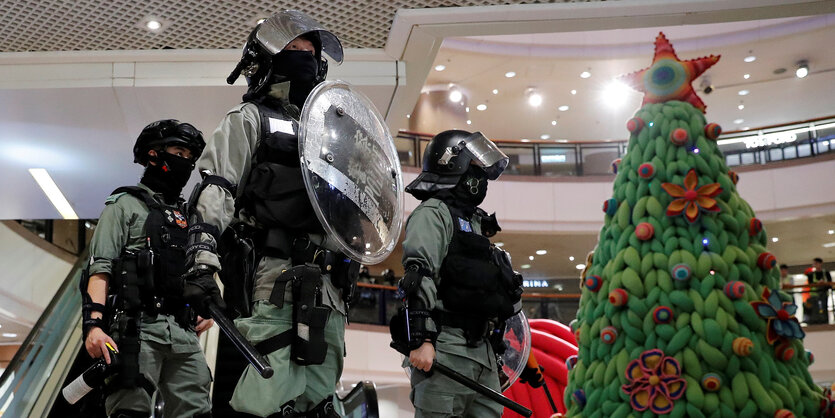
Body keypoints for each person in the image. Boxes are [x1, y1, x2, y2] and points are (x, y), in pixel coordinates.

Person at [181, 10, 354, 417]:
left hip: (328, 286)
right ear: (268, 59)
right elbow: (216, 188)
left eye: (310, 51)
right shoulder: (250, 119)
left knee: (320, 398)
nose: (304, 57)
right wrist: (202, 262)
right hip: (272, 277)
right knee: (269, 395)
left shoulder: (331, 134)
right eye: (293, 50)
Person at [80, 119, 213, 418]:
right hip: (136, 329)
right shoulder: (123, 205)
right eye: (179, 152)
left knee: (197, 411)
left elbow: (193, 271)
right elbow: (100, 268)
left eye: (190, 157)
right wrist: (94, 325)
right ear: (154, 155)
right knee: (130, 410)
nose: (186, 162)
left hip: (183, 333)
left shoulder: (187, 216)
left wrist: (203, 309)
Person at [390, 130, 523, 417]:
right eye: (476, 168)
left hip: (483, 355)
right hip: (446, 350)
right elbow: (418, 273)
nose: (482, 178)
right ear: (453, 164)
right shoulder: (433, 213)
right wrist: (421, 340)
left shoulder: (475, 221)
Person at [804, 257, 832, 324]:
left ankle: (824, 321)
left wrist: (824, 284)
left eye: (816, 263)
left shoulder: (826, 273)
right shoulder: (811, 274)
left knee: (823, 308)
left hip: (824, 294)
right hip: (814, 295)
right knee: (814, 309)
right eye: (814, 263)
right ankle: (815, 321)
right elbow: (810, 284)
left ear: (820, 263)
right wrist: (817, 284)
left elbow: (830, 283)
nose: (815, 265)